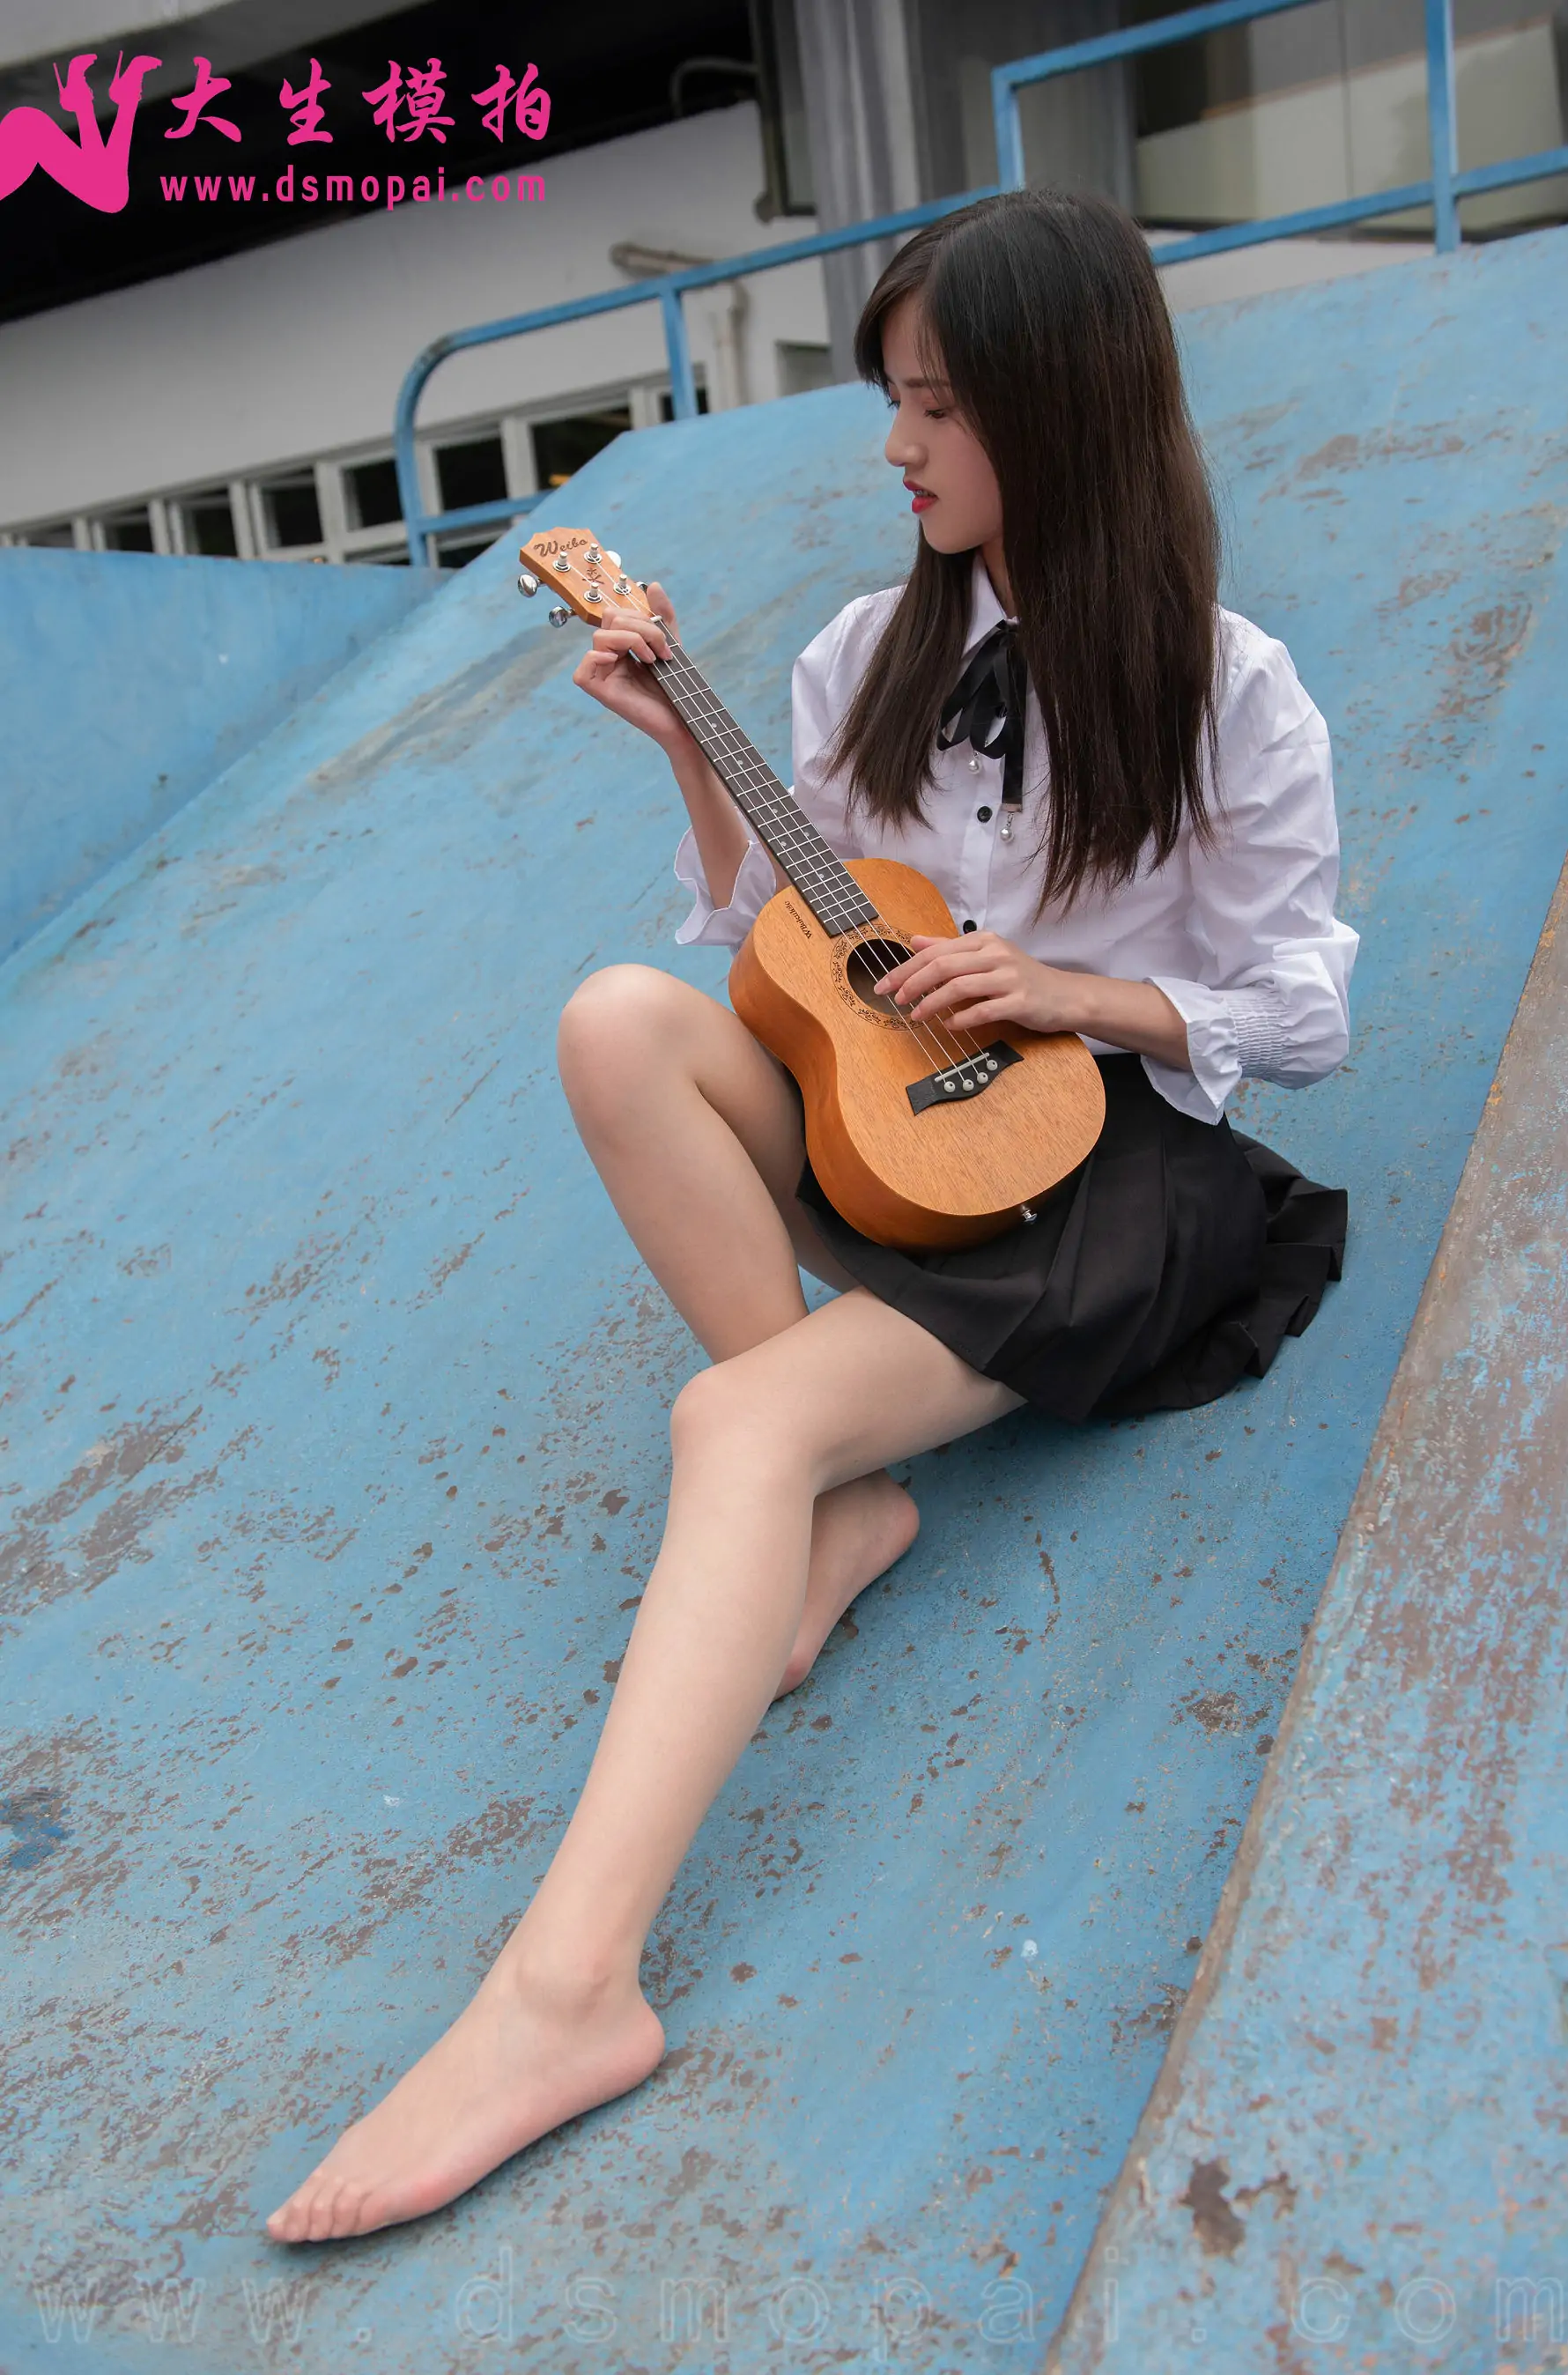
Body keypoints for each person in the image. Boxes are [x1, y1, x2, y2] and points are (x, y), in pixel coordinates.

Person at [264, 189, 1354, 2245]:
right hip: (895, 1130)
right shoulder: (867, 656)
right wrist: (690, 748)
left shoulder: (1230, 686)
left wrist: (1070, 990)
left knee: (729, 1423)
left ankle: (567, 1992)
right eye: (893, 402)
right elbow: (796, 945)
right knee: (616, 1020)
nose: (897, 446)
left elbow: (1306, 1009)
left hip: (1114, 1169)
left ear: (1062, 407)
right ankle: (834, 1504)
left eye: (936, 406)